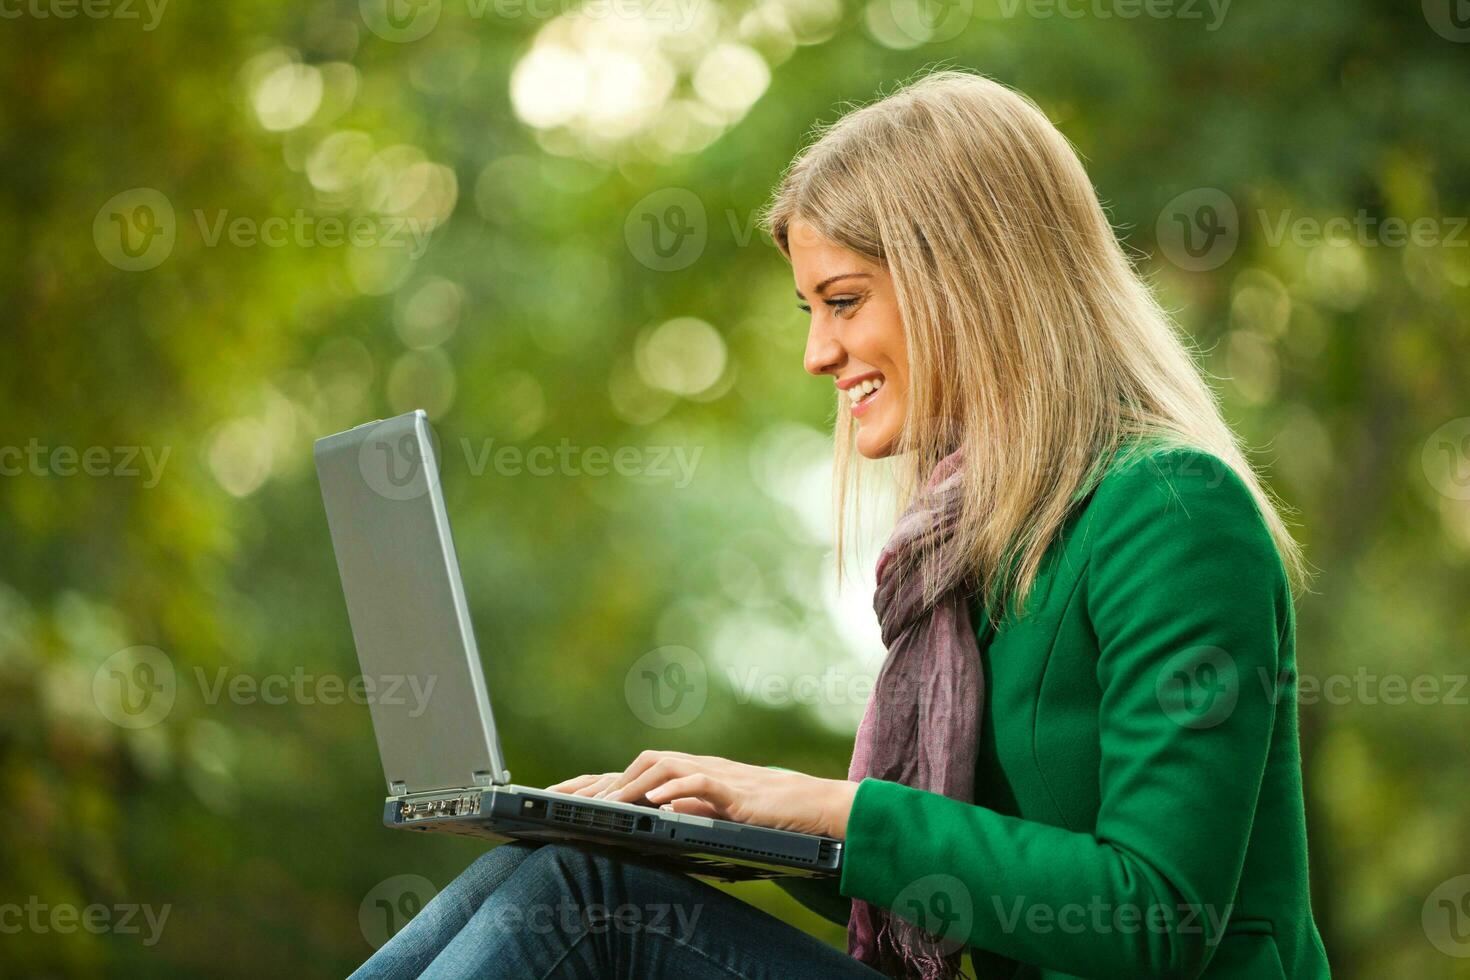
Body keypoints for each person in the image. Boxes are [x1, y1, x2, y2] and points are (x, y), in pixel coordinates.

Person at [353, 69, 1331, 979]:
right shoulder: (975, 540)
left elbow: (1153, 912)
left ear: (971, 281)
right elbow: (964, 870)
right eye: (810, 308)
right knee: (550, 868)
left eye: (845, 300)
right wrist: (720, 826)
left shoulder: (1171, 512)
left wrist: (828, 806)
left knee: (583, 901)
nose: (820, 351)